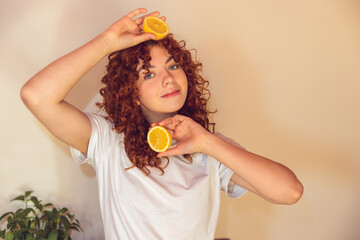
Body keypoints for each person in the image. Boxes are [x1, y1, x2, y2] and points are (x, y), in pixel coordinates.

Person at [20, 8, 303, 240]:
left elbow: (290, 192)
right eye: (148, 74)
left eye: (173, 65)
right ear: (130, 90)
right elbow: (36, 96)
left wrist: (207, 142)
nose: (168, 78)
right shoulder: (108, 140)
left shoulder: (209, 147)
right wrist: (108, 41)